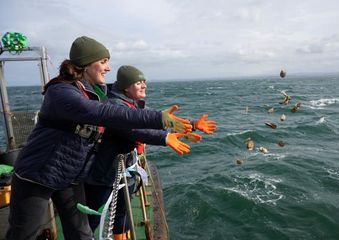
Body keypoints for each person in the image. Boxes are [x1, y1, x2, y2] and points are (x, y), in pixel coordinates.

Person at [6, 36, 193, 240]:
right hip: (38, 174)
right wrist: (160, 119)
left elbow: (125, 109)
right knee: (23, 233)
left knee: (81, 232)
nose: (108, 68)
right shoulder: (62, 92)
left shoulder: (96, 92)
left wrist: (180, 125)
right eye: (103, 62)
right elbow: (108, 114)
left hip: (69, 174)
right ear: (86, 64)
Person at [84, 65, 217, 239]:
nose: (144, 85)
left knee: (122, 214)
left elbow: (153, 120)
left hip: (125, 170)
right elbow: (134, 130)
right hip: (104, 174)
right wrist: (165, 138)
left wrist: (192, 124)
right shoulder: (114, 105)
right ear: (126, 87)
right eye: (138, 82)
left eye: (144, 82)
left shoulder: (133, 104)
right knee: (92, 219)